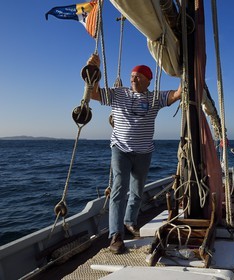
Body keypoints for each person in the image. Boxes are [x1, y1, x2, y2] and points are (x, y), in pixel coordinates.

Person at [87, 54, 182, 254]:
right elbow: (94, 94)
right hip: (120, 149)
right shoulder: (118, 93)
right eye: (131, 77)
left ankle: (130, 222)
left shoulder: (155, 97)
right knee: (118, 190)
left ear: (149, 79)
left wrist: (186, 72)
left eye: (138, 76)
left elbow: (177, 94)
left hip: (144, 152)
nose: (133, 79)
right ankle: (115, 235)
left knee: (138, 191)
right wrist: (92, 71)